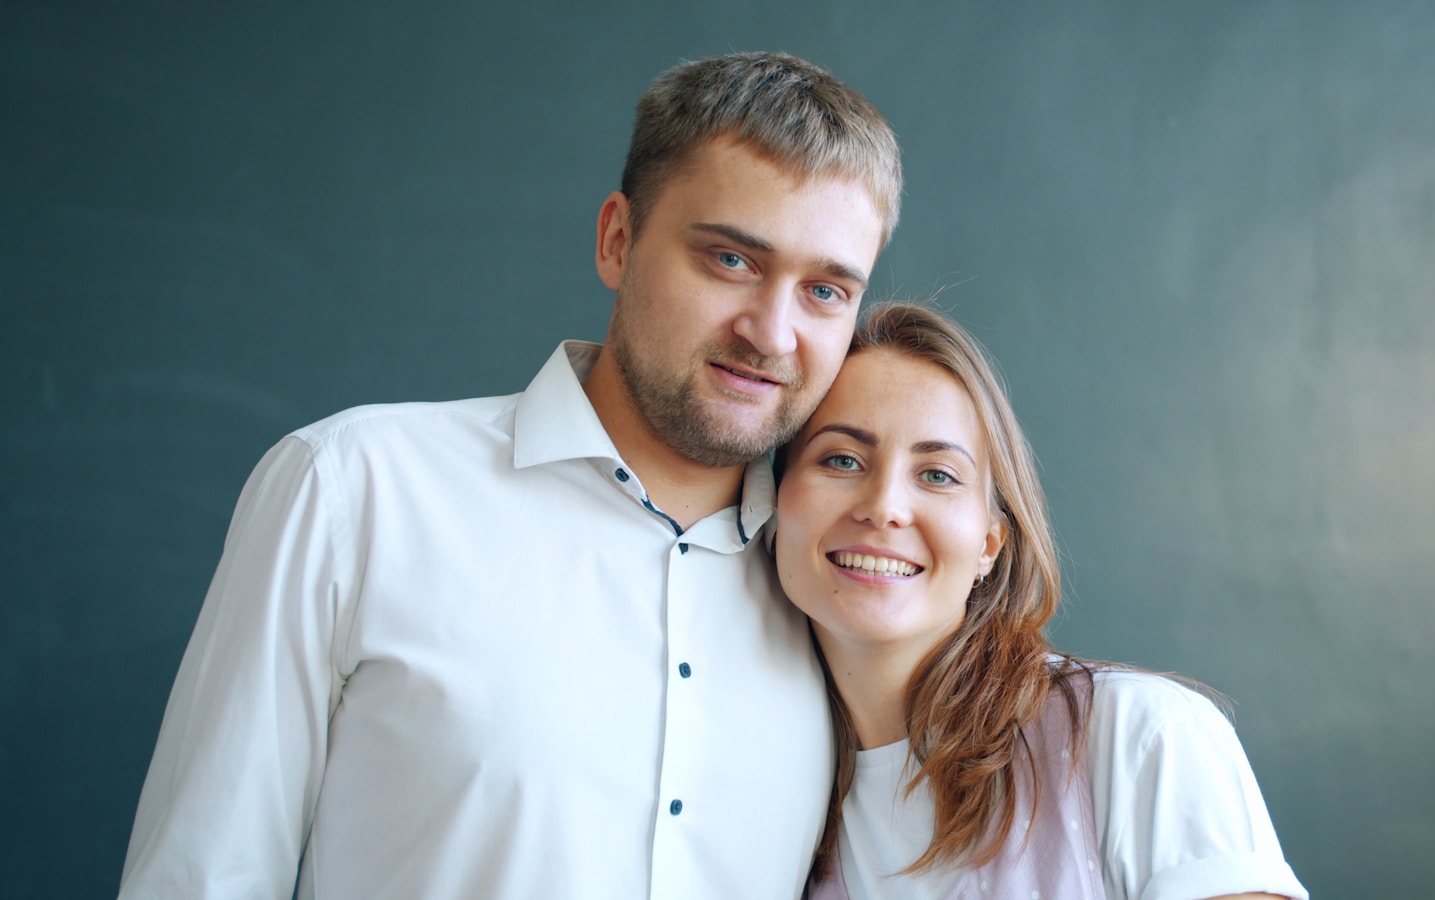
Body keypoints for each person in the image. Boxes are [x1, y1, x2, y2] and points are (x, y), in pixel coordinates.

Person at [120, 52, 901, 900]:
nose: (772, 333)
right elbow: (202, 878)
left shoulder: (841, 588)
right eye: (731, 261)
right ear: (617, 240)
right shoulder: (354, 489)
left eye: (826, 291)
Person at [774, 303, 1310, 900]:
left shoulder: (1140, 737)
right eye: (842, 460)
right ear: (772, 503)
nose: (884, 508)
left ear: (988, 544)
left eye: (938, 475)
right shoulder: (768, 805)